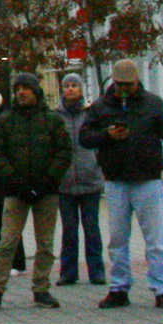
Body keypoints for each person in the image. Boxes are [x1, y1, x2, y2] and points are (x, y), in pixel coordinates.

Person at [81, 59, 163, 308]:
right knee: (118, 238)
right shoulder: (100, 107)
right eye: (119, 84)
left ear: (136, 81)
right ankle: (119, 286)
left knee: (155, 239)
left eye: (128, 84)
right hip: (116, 178)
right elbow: (85, 138)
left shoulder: (153, 104)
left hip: (147, 177)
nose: (123, 89)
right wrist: (106, 135)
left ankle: (162, 287)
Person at [0, 74, 71, 311]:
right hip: (15, 190)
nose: (21, 92)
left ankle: (41, 289)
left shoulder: (52, 119)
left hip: (46, 191)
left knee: (45, 244)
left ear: (35, 91)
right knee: (7, 241)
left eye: (26, 88)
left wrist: (48, 180)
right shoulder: (6, 120)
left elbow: (64, 151)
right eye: (17, 89)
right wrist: (14, 180)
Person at [51, 74, 103, 286]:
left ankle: (96, 271)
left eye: (74, 86)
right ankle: (68, 271)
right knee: (69, 230)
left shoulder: (91, 114)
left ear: (81, 89)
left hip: (89, 179)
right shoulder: (55, 116)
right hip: (65, 183)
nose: (70, 89)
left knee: (92, 228)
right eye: (67, 86)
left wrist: (98, 166)